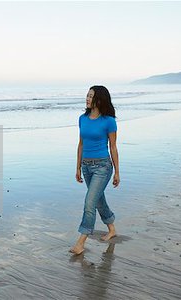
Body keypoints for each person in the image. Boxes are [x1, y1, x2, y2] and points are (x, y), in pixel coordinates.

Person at [70, 85, 120, 255]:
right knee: (98, 200)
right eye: (87, 95)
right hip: (86, 166)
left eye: (91, 96)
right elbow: (81, 144)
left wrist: (117, 172)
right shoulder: (82, 119)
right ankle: (111, 228)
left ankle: (80, 243)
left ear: (100, 99)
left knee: (89, 203)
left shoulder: (109, 121)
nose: (87, 99)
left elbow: (113, 147)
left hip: (102, 167)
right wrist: (77, 167)